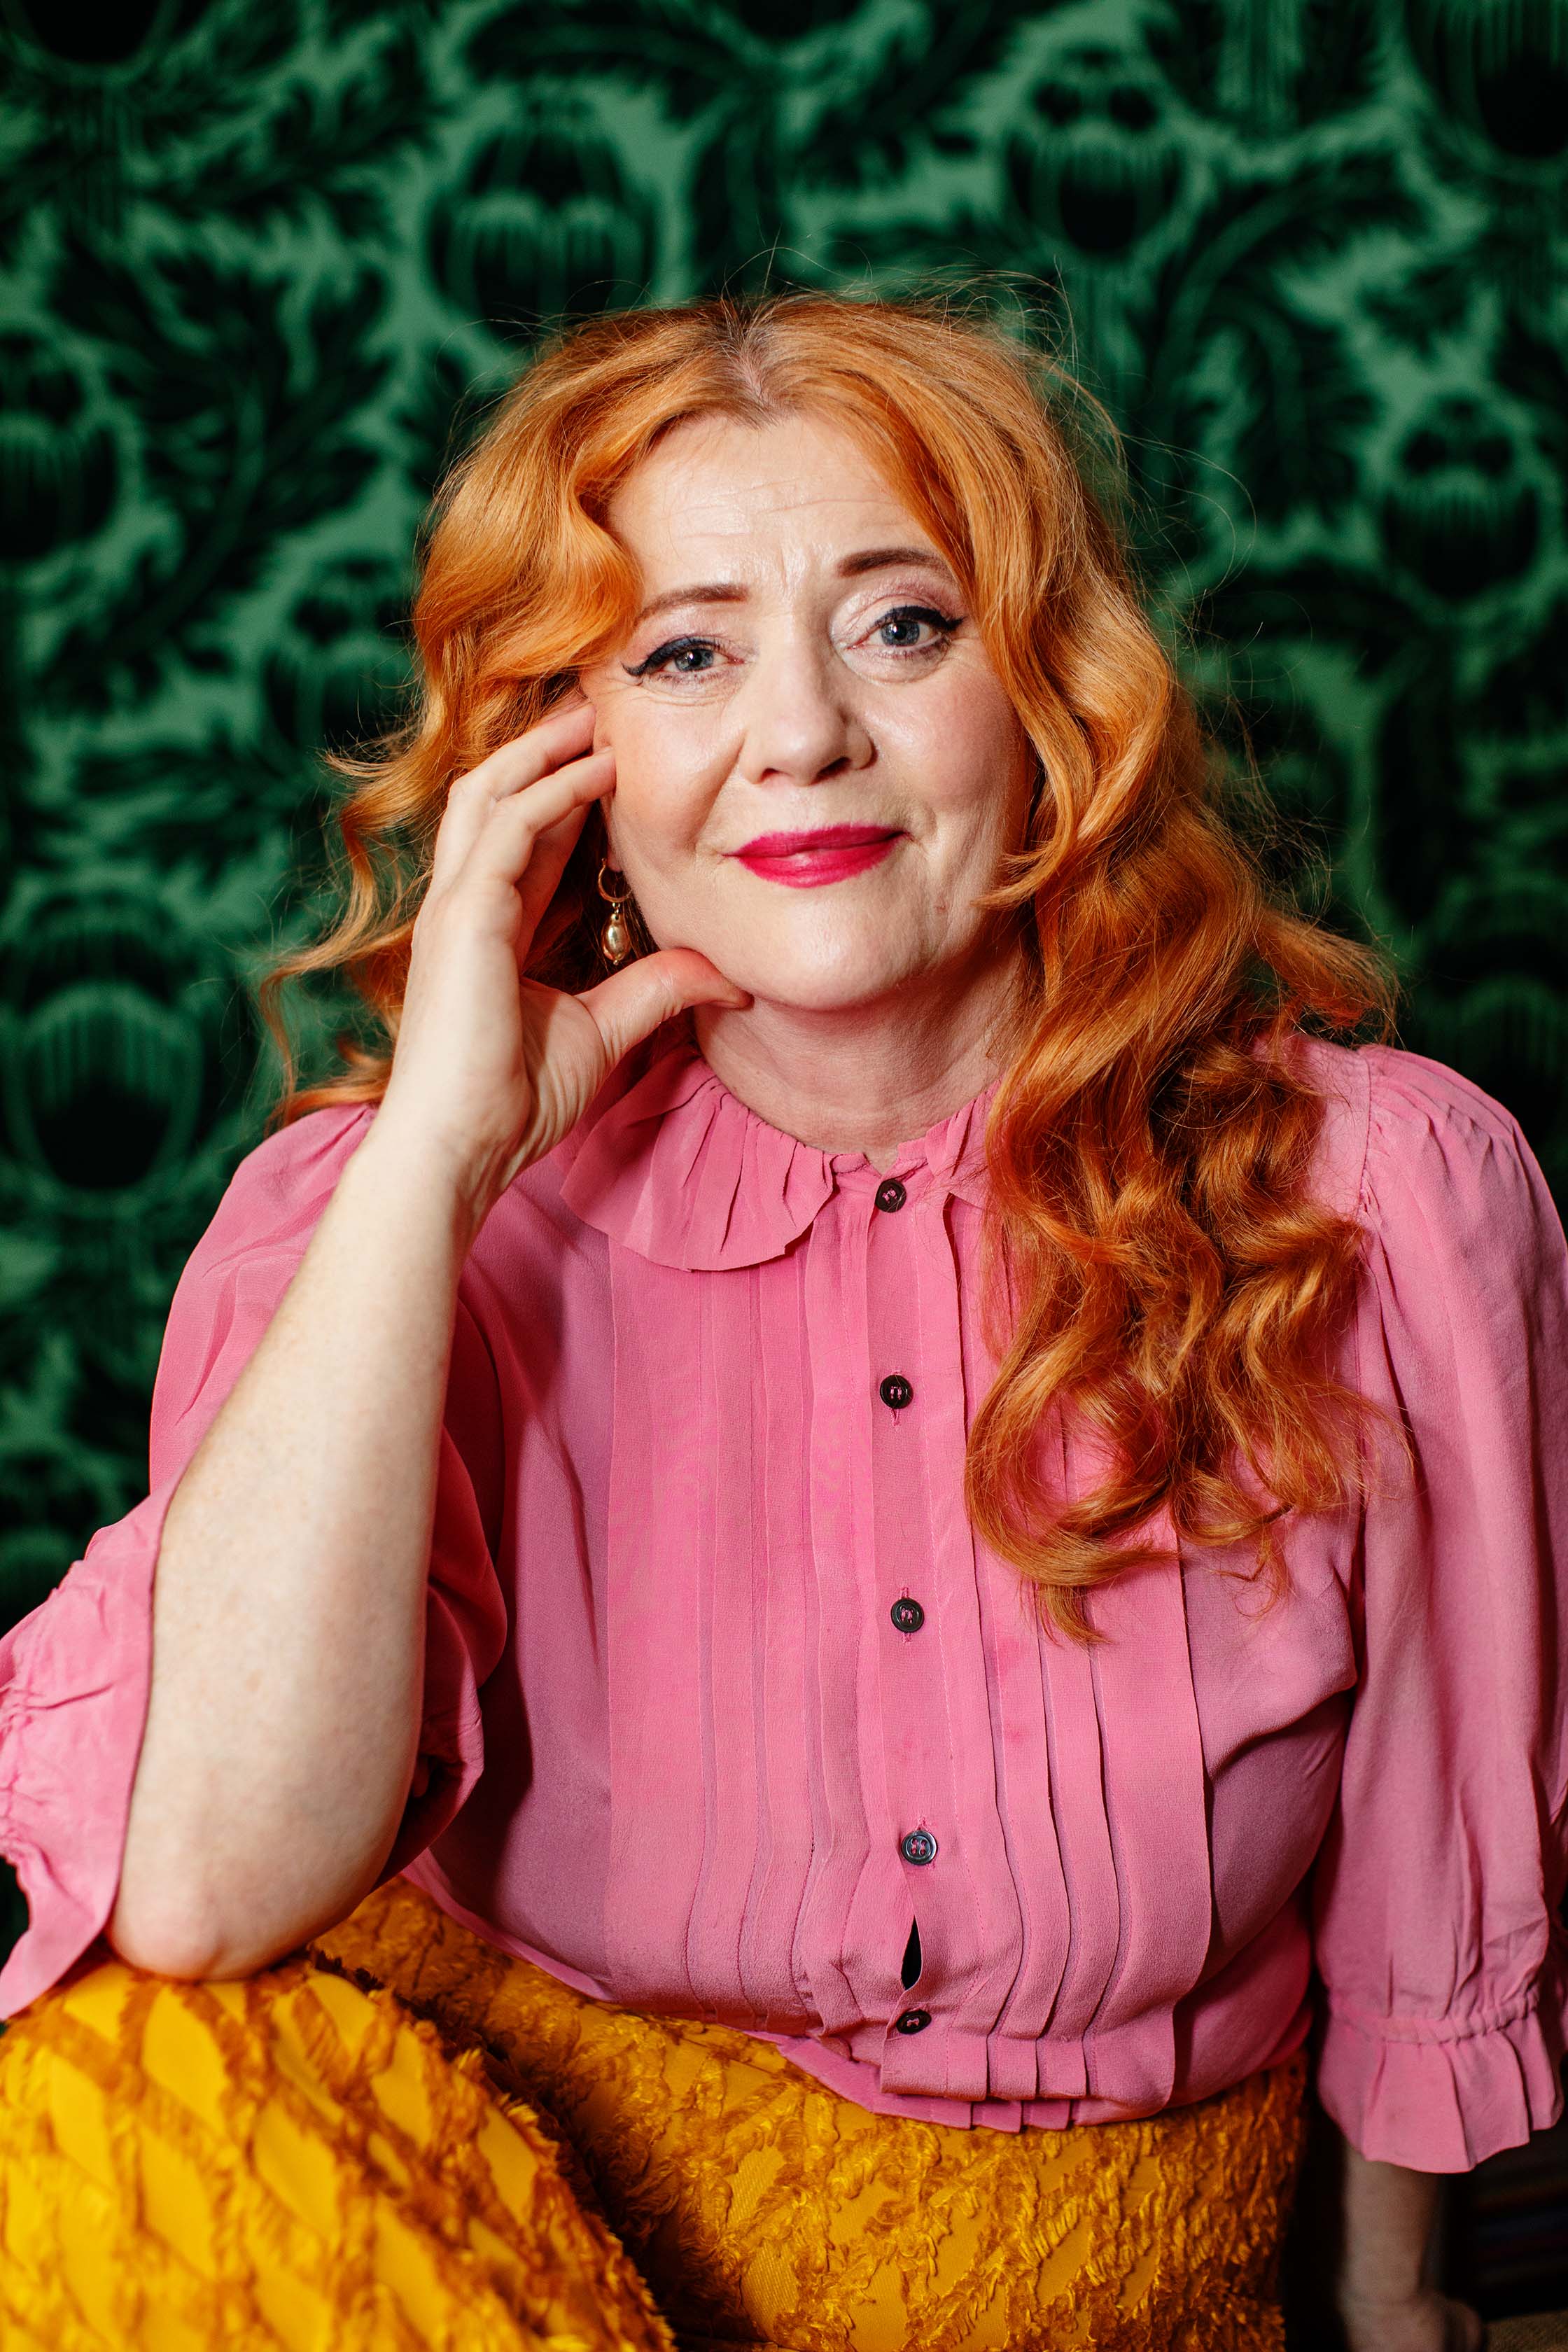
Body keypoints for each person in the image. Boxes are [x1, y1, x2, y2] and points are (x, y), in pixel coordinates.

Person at [0, 293, 1561, 2352]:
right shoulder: (368, 1227)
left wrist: (1389, 2305)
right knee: (85, 2111)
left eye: (903, 626)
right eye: (685, 652)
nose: (803, 732)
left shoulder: (1379, 1198)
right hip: (487, 2252)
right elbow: (199, 1892)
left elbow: (1436, 1871)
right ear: (562, 757)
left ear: (1050, 697)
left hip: (1093, 2281)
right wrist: (437, 1161)